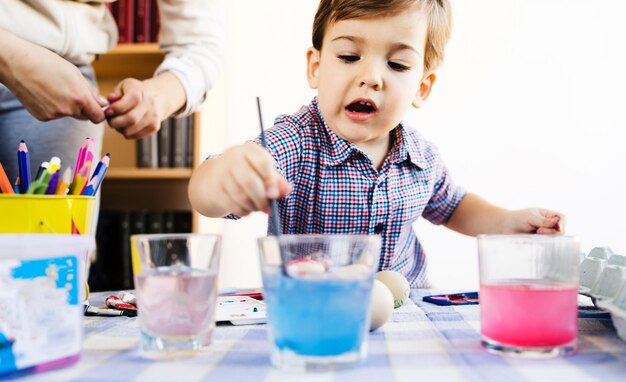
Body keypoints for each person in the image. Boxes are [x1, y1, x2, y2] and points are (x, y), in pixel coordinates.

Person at [187, 0, 565, 288]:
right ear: (316, 68)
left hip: (406, 319)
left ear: (422, 87)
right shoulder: (296, 142)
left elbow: (454, 207)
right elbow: (205, 195)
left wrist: (507, 222)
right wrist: (224, 176)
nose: (371, 77)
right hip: (314, 313)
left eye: (397, 65)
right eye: (350, 56)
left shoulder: (421, 157)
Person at [0, 0, 223, 183]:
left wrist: (157, 97)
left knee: (53, 229)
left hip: (64, 77)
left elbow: (200, 45)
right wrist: (12, 59)